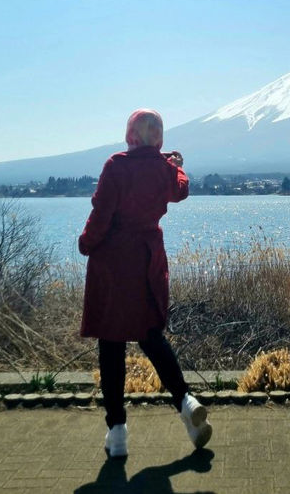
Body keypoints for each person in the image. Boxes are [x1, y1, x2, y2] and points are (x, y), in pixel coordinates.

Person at [78, 109, 211, 458]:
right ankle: (186, 401)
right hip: (147, 259)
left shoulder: (116, 165)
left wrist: (86, 243)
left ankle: (117, 433)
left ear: (131, 134)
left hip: (112, 264)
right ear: (159, 137)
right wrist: (177, 163)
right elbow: (180, 190)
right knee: (151, 334)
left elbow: (102, 213)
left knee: (111, 345)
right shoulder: (165, 169)